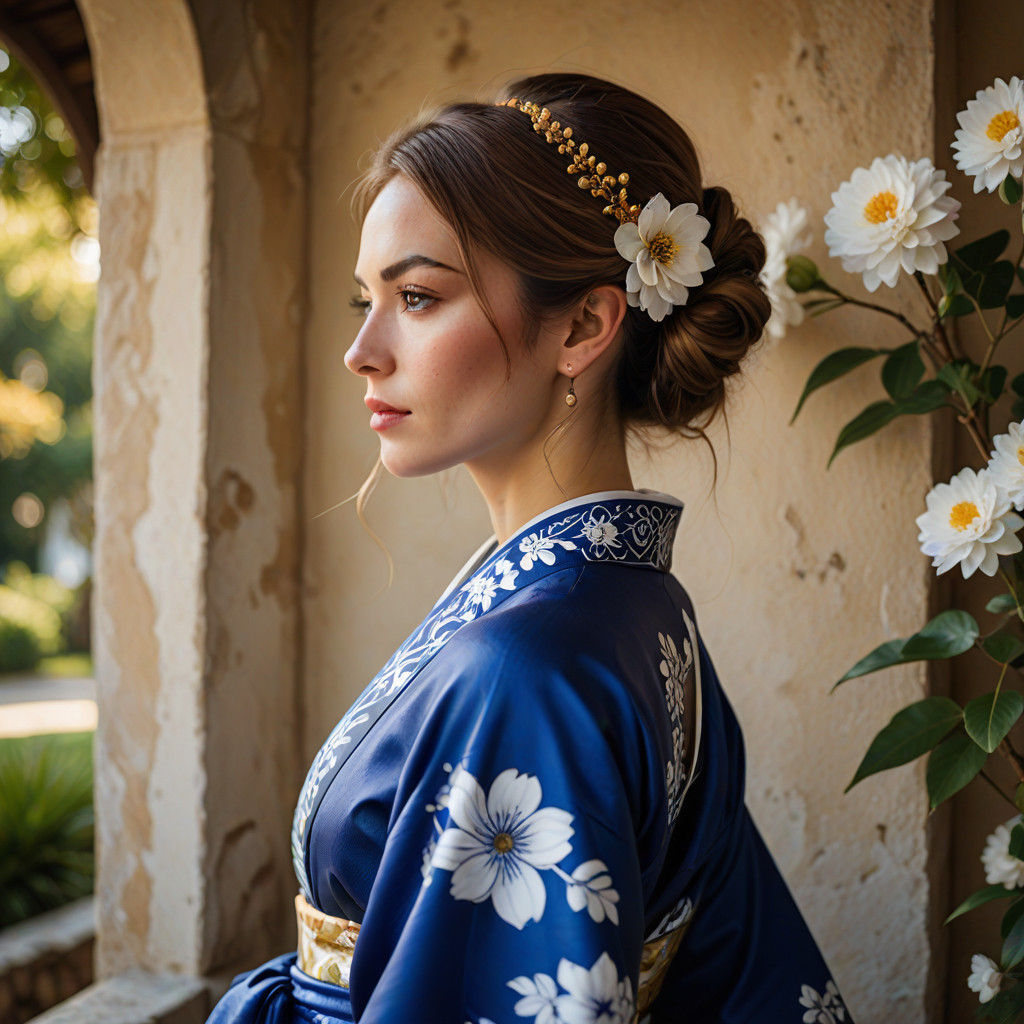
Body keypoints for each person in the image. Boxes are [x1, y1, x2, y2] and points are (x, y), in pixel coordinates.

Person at [204, 72, 854, 1024]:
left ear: (586, 325)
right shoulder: (632, 605)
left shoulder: (532, 664)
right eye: (364, 301)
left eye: (418, 297)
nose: (364, 351)